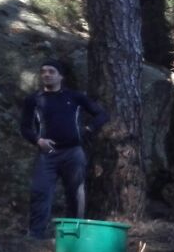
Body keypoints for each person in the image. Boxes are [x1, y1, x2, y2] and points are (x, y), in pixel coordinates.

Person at [20, 59, 109, 239]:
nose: (46, 74)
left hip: (73, 151)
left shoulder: (75, 97)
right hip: (48, 153)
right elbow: (25, 128)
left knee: (76, 192)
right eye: (43, 71)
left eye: (51, 71)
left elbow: (102, 114)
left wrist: (89, 129)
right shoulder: (34, 100)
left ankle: (73, 233)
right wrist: (38, 140)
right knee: (40, 191)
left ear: (61, 76)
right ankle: (36, 235)